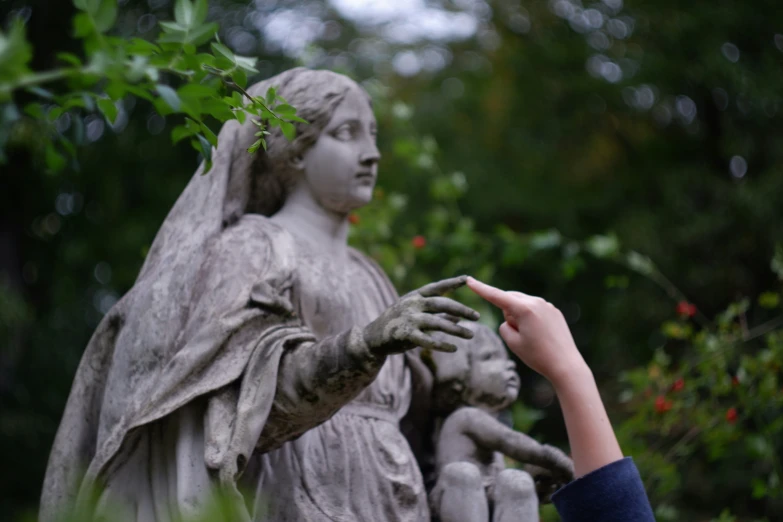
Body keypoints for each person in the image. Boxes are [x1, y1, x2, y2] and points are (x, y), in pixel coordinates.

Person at [40, 68, 479, 522]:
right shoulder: (254, 247)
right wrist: (363, 346)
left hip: (393, 491)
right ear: (295, 150)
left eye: (372, 134)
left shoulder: (371, 274)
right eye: (346, 133)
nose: (372, 154)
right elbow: (241, 399)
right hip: (301, 488)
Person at [466, 277, 657, 522]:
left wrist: (569, 370)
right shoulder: (467, 419)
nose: (507, 368)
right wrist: (569, 371)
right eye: (489, 358)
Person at [427, 322, 574, 522]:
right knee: (464, 474)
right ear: (458, 371)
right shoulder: (465, 417)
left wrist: (534, 485)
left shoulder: (492, 425)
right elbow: (510, 441)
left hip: (483, 497)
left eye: (505, 358)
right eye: (490, 357)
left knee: (516, 482)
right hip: (457, 496)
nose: (510, 364)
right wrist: (549, 457)